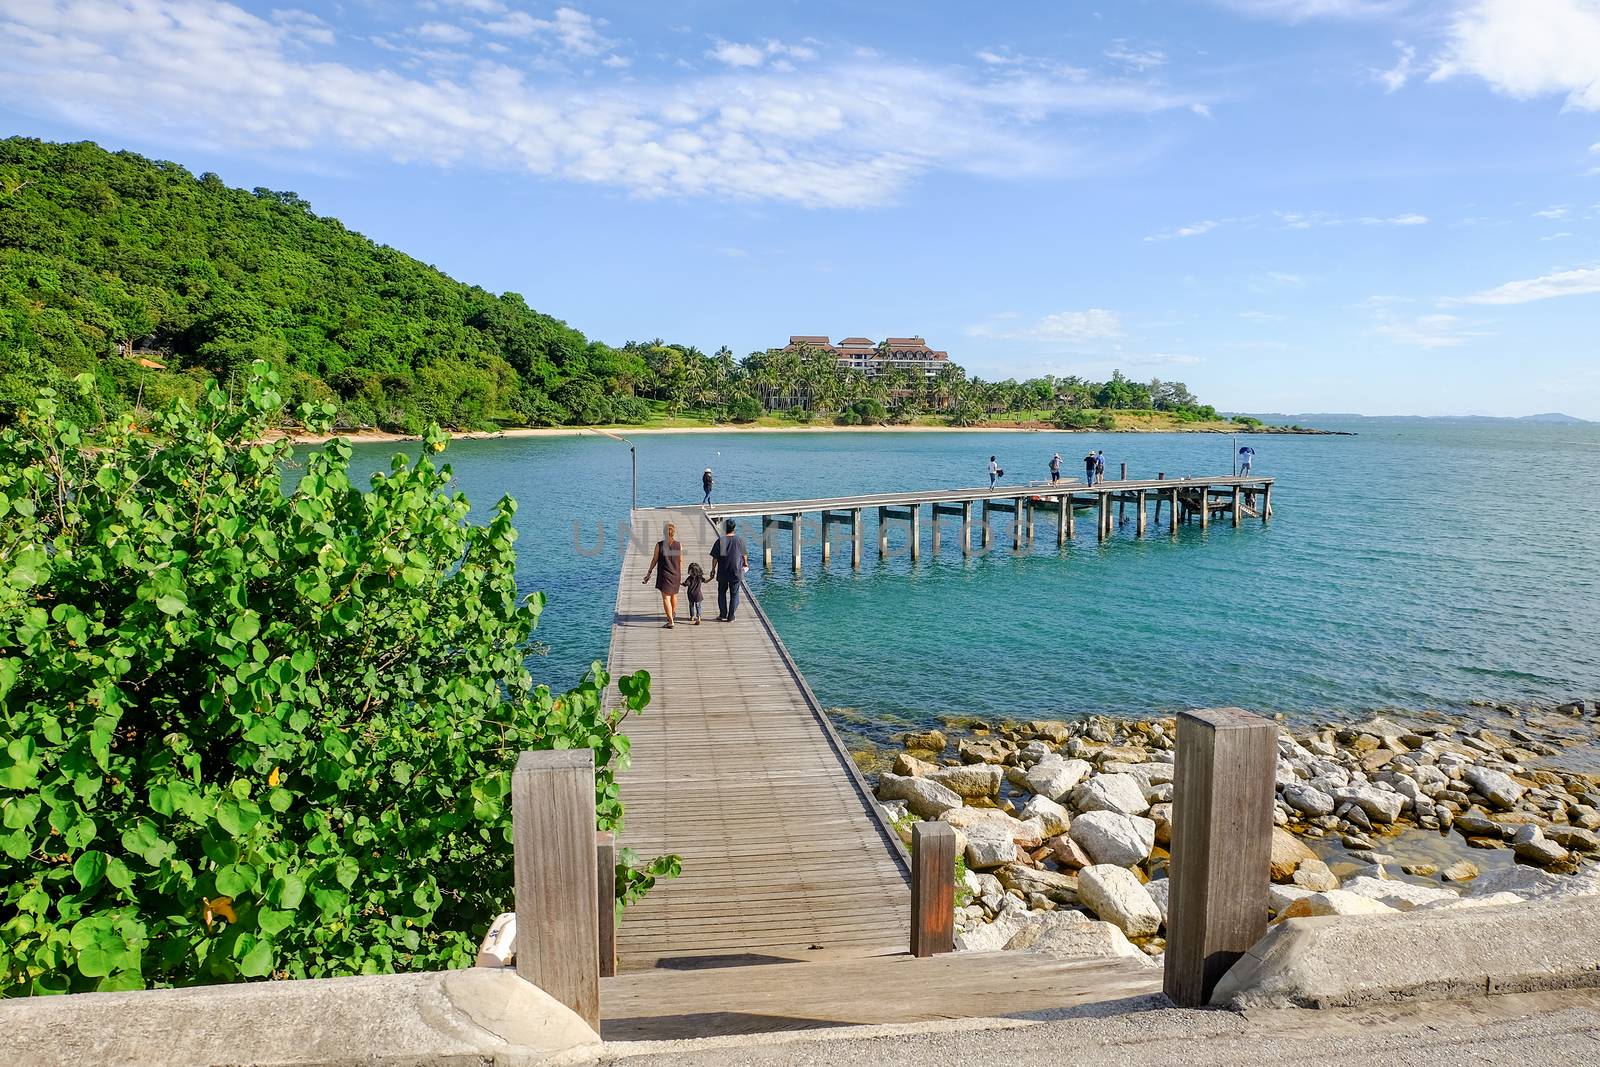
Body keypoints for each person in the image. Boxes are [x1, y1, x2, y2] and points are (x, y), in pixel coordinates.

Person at [641, 522, 683, 628]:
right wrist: (679, 573)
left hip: (665, 575)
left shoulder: (659, 545)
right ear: (673, 533)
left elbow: (655, 559)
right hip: (676, 574)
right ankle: (672, 613)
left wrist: (649, 572)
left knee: (666, 598)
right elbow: (681, 560)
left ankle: (671, 621)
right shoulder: (678, 545)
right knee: (674, 595)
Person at [710, 518, 748, 622]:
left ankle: (723, 615)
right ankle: (731, 616)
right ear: (734, 528)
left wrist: (713, 570)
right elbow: (744, 555)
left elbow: (715, 558)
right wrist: (745, 563)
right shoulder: (739, 540)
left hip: (723, 571)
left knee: (721, 593)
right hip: (736, 572)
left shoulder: (720, 541)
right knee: (734, 594)